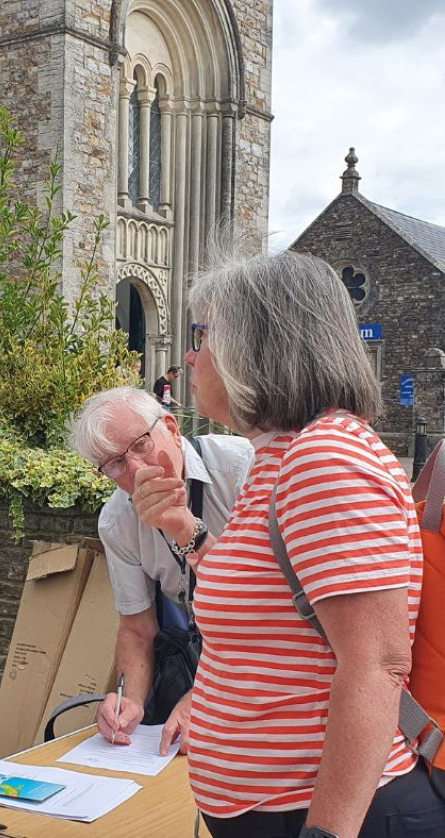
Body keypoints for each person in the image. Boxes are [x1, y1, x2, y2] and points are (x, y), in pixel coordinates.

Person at [184, 250, 443, 838]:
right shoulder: (279, 457)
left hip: (329, 817)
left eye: (204, 334)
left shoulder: (325, 458)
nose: (192, 356)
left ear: (258, 343)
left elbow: (376, 667)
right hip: (276, 810)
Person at [66, 388, 252, 756]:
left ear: (171, 427)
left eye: (139, 446)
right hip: (205, 657)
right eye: (115, 464)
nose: (136, 471)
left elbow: (268, 607)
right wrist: (129, 699)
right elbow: (137, 626)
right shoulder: (118, 520)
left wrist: (203, 697)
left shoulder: (243, 469)